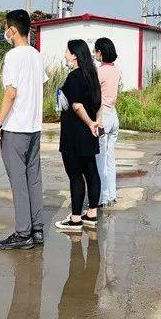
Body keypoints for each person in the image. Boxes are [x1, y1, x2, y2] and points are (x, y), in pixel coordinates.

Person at [0, 9, 48, 250]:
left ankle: (22, 233)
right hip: (34, 127)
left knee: (18, 182)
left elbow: (11, 92)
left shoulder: (13, 56)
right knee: (33, 179)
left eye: (6, 28)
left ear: (12, 30)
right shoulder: (37, 55)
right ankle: (36, 229)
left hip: (16, 128)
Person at [54, 40, 101, 233]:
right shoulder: (92, 75)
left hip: (75, 133)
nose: (65, 54)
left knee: (75, 175)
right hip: (90, 133)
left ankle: (75, 219)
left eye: (66, 51)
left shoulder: (74, 77)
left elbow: (76, 105)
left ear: (74, 55)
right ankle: (91, 214)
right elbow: (99, 103)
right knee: (91, 172)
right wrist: (96, 123)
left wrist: (89, 123)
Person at [93, 37, 122, 207]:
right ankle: (111, 195)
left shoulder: (99, 71)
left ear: (100, 52)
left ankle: (102, 197)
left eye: (96, 51)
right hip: (113, 115)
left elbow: (94, 95)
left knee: (100, 159)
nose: (95, 54)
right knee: (110, 159)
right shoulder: (116, 70)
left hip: (102, 116)